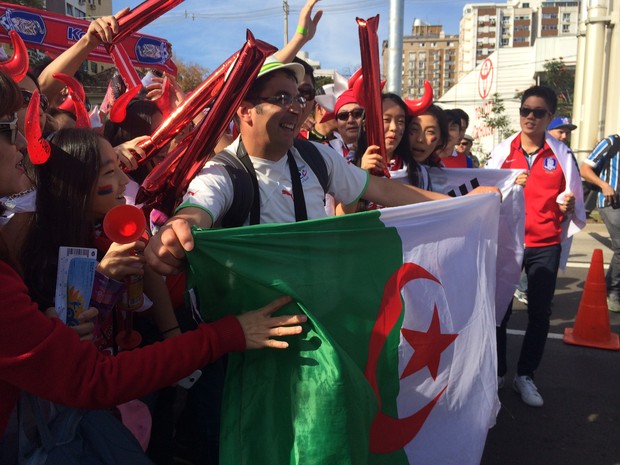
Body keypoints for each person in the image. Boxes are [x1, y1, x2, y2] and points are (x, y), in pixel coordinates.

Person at [0, 70, 307, 457]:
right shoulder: (26, 244)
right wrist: (226, 334)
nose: (21, 150)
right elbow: (93, 377)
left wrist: (53, 327)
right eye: (10, 130)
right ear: (76, 185)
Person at [144, 59, 499, 275]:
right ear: (245, 110)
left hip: (316, 319)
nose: (296, 107)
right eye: (280, 98)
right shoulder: (224, 172)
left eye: (298, 97)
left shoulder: (316, 156)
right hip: (246, 339)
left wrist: (461, 203)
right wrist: (176, 231)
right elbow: (196, 211)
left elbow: (385, 190)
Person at [486, 85, 586, 407]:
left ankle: (525, 375)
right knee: (499, 310)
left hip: (545, 243)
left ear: (550, 117)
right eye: (525, 110)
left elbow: (572, 202)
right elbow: (483, 193)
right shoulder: (502, 152)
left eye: (538, 112)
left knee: (540, 314)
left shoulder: (562, 155)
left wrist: (568, 207)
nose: (530, 117)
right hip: (506, 241)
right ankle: (497, 372)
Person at [580, 134, 620, 312]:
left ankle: (611, 288)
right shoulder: (611, 142)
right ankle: (612, 291)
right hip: (611, 203)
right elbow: (585, 169)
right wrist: (604, 185)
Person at [407, 103, 449, 189]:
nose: (420, 139)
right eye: (414, 129)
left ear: (440, 140)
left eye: (430, 132)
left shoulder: (442, 173)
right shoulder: (392, 171)